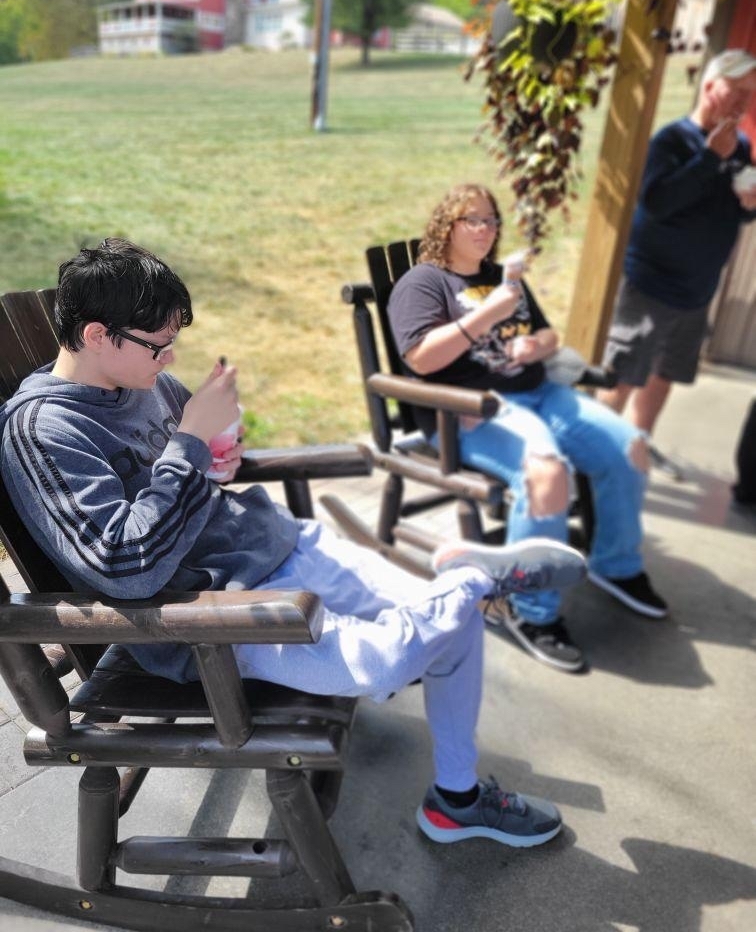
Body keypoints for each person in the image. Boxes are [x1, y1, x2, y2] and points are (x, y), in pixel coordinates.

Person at [0, 238, 589, 850]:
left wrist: (219, 447)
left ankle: (457, 800)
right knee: (396, 653)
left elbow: (203, 469)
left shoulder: (143, 380)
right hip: (216, 618)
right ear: (97, 335)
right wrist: (190, 446)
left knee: (455, 621)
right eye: (158, 344)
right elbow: (126, 568)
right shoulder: (44, 431)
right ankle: (474, 576)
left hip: (279, 542)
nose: (169, 356)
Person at [387, 184, 668, 675]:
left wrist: (537, 346)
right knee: (546, 474)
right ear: (445, 225)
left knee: (631, 447)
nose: (485, 229)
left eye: (492, 221)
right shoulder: (423, 283)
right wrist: (488, 314)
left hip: (542, 393)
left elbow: (548, 332)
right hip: (472, 409)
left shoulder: (502, 276)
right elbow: (421, 359)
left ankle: (615, 564)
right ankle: (529, 609)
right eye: (472, 220)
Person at [597, 49, 756, 439]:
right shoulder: (672, 139)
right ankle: (590, 466)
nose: (742, 102)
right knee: (621, 379)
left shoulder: (739, 145)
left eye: (748, 94)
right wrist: (707, 158)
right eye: (735, 90)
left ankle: (636, 449)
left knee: (663, 376)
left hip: (697, 291)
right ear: (708, 86)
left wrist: (749, 206)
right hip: (651, 285)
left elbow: (729, 211)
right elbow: (657, 203)